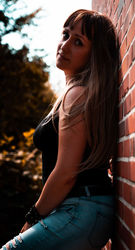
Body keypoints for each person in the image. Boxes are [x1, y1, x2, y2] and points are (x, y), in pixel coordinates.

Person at [1, 9, 119, 250]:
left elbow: (66, 173)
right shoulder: (84, 94)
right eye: (65, 35)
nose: (64, 46)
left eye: (78, 42)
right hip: (88, 210)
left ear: (93, 56)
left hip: (81, 209)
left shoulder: (77, 95)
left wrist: (32, 217)